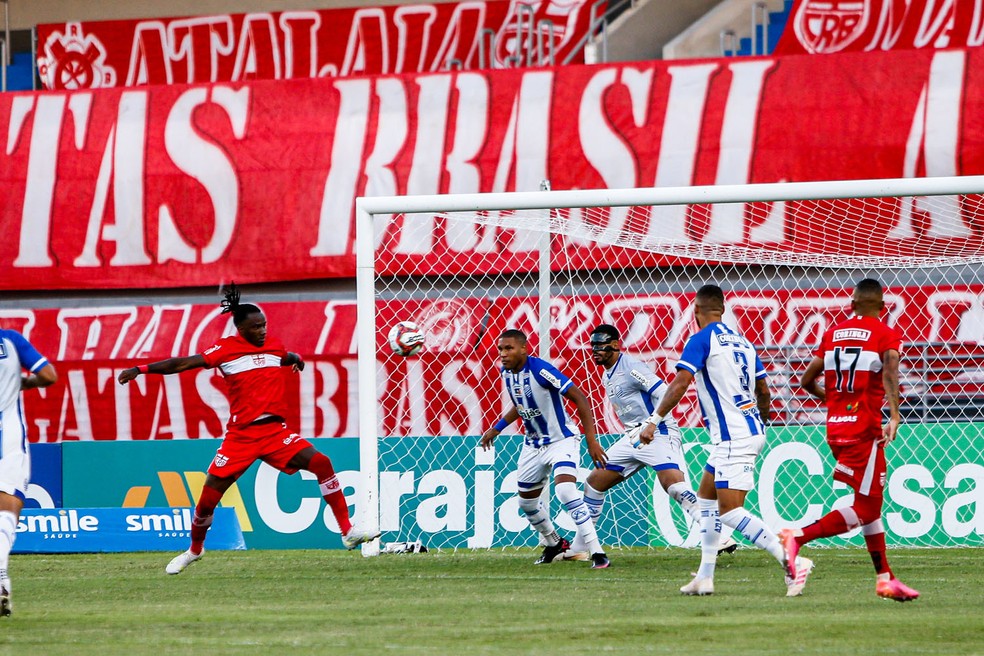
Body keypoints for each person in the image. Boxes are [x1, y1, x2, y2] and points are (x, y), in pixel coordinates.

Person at [117, 284, 377, 574]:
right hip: (241, 437)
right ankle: (194, 550)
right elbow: (182, 364)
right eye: (255, 327)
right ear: (241, 329)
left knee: (321, 462)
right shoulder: (225, 350)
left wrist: (297, 360)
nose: (262, 331)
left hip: (275, 432)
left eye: (264, 325)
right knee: (207, 500)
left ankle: (347, 531)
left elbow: (285, 355)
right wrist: (141, 369)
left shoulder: (274, 346)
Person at [638, 284, 811, 596]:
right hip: (740, 433)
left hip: (733, 437)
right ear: (722, 309)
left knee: (729, 511)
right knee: (706, 501)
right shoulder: (744, 343)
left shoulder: (701, 340)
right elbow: (764, 392)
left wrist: (654, 421)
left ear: (696, 311)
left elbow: (680, 383)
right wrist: (757, 424)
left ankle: (791, 558)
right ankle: (705, 577)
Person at [782, 278, 920, 602]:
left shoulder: (832, 335)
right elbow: (889, 371)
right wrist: (896, 415)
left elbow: (805, 381)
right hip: (865, 430)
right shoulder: (885, 333)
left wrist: (832, 401)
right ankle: (797, 537)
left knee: (868, 502)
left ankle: (885, 578)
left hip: (836, 430)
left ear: (852, 302)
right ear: (883, 307)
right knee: (868, 507)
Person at [570, 324, 737, 558]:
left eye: (601, 345)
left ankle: (716, 534)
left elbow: (662, 392)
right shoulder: (608, 371)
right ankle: (580, 548)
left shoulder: (632, 368)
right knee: (594, 482)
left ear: (616, 345)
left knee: (673, 486)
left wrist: (652, 423)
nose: (595, 350)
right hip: (632, 439)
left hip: (658, 433)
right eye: (593, 345)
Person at [480, 329, 610, 569]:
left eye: (508, 348)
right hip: (532, 445)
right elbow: (521, 405)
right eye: (500, 349)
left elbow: (580, 397)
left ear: (523, 349)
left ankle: (597, 552)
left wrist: (592, 440)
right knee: (526, 503)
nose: (503, 354)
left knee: (566, 491)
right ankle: (554, 543)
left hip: (562, 440)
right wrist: (497, 428)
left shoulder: (541, 370)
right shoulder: (506, 373)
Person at [0, 328, 58, 617]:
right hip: (8, 437)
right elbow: (49, 376)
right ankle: (1, 577)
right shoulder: (10, 339)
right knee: (7, 510)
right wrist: (25, 383)